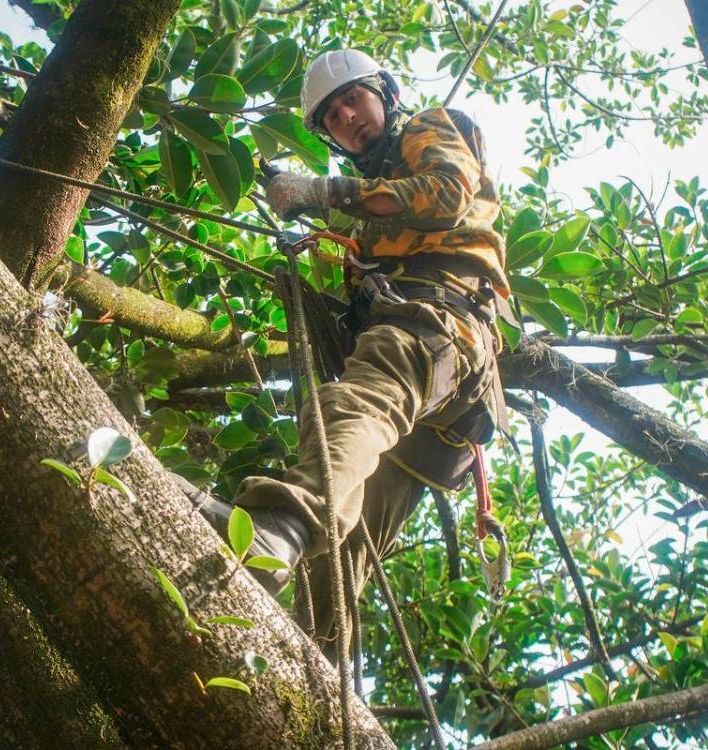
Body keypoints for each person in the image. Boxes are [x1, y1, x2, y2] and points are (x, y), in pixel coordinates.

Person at [191, 49, 510, 645]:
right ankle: (315, 664)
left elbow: (445, 193)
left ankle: (281, 523)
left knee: (353, 406)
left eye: (354, 100)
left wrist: (326, 191)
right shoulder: (369, 215)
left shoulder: (430, 127)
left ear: (385, 94)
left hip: (438, 322)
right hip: (430, 403)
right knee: (345, 552)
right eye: (333, 116)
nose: (348, 118)